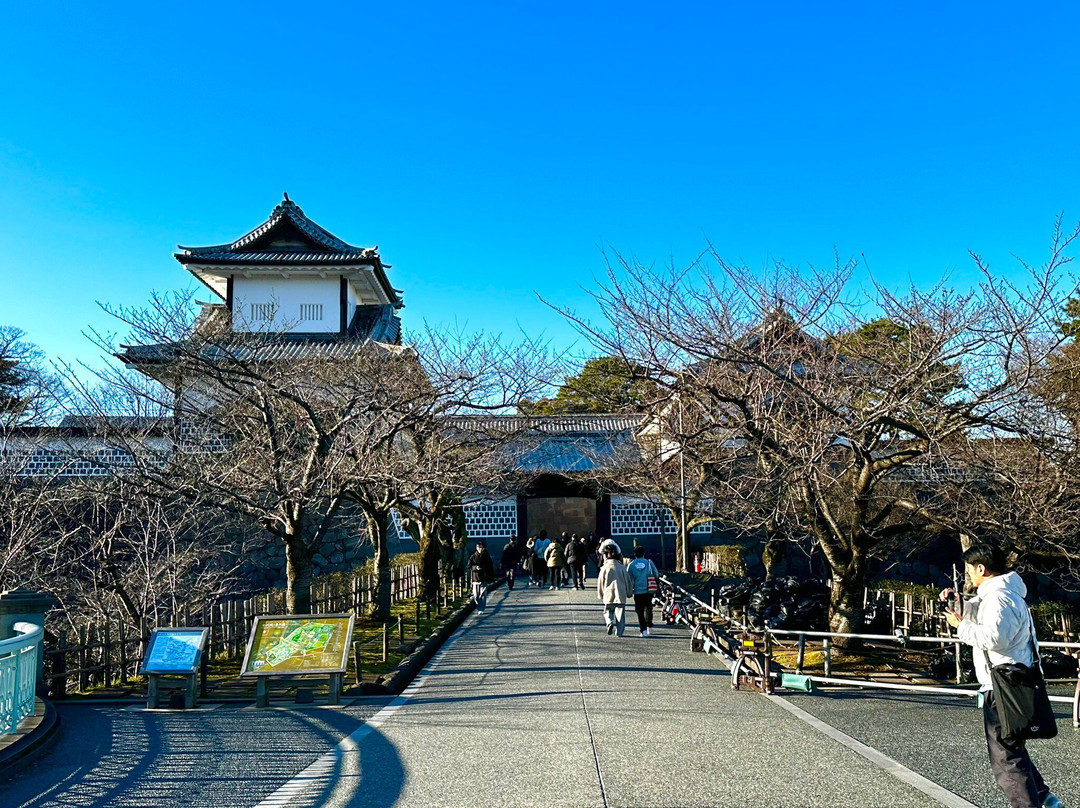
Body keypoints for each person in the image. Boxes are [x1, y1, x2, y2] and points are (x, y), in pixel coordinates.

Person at [942, 543, 1062, 808]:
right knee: (1011, 749)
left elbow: (995, 638)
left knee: (1006, 758)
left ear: (981, 568)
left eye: (969, 569)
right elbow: (983, 616)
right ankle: (1045, 799)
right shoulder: (999, 595)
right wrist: (958, 604)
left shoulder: (1000, 598)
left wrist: (961, 626)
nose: (968, 574)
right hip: (1006, 681)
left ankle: (1034, 802)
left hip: (1003, 684)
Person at [596, 545, 631, 637]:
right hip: (620, 594)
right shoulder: (621, 567)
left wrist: (600, 594)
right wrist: (629, 592)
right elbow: (628, 581)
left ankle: (609, 622)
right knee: (620, 615)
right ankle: (619, 632)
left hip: (608, 593)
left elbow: (601, 582)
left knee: (608, 611)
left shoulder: (605, 568)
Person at [625, 546, 659, 636]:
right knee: (648, 607)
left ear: (635, 554)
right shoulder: (649, 562)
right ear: (644, 553)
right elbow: (656, 574)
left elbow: (629, 579)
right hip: (649, 590)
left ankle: (643, 630)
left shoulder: (631, 565)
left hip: (637, 591)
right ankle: (649, 625)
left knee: (639, 611)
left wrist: (629, 590)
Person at [467, 541, 495, 612]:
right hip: (475, 578)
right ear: (476, 548)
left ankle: (481, 608)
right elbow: (469, 566)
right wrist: (475, 568)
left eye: (481, 547)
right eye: (478, 547)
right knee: (476, 595)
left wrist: (490, 577)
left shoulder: (486, 556)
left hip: (484, 578)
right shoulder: (473, 557)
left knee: (483, 594)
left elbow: (490, 567)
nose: (480, 549)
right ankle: (479, 606)